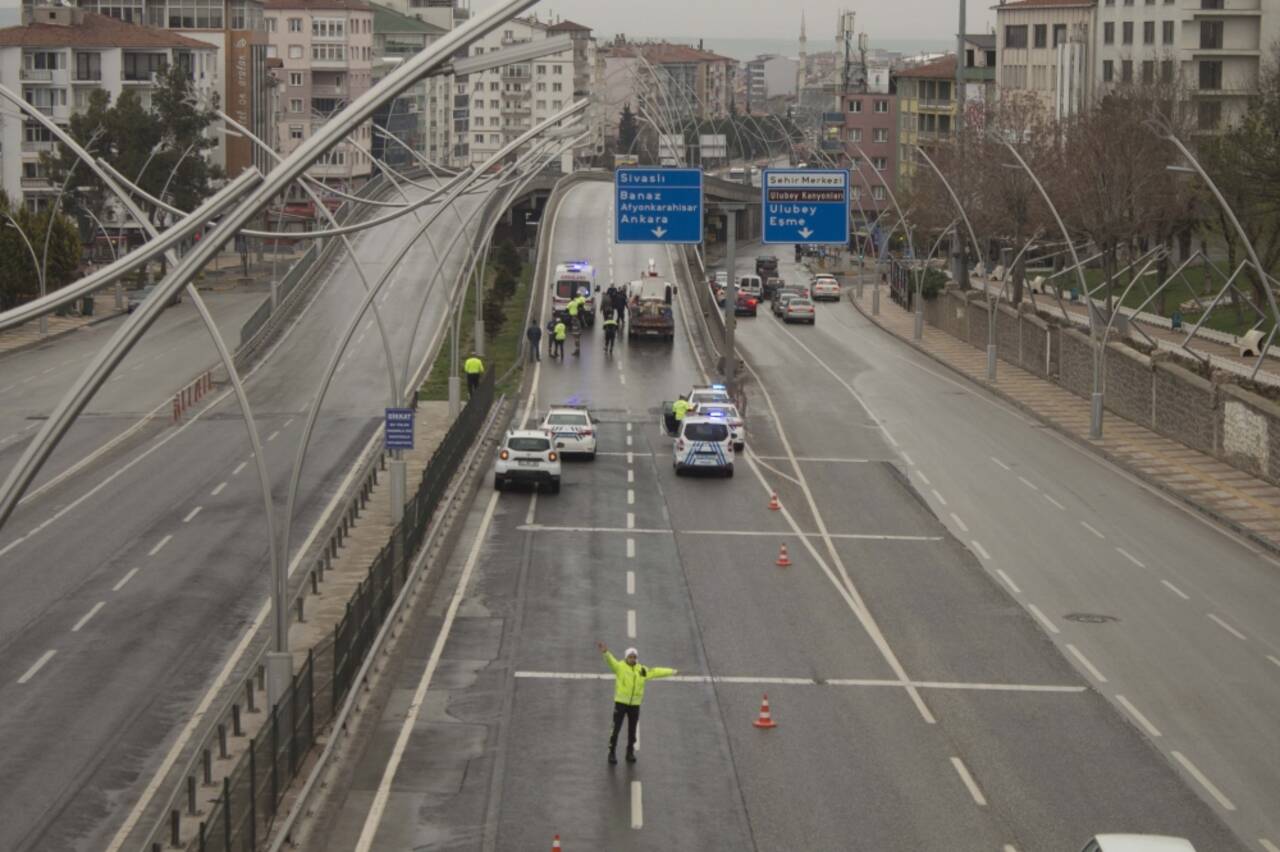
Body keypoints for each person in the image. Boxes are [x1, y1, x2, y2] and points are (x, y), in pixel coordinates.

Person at [596, 641, 676, 765]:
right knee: (615, 729)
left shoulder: (641, 670)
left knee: (632, 731)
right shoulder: (620, 667)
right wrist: (606, 652)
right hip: (621, 703)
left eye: (634, 657)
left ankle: (630, 752)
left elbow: (655, 672)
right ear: (626, 657)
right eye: (630, 657)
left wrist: (672, 671)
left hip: (635, 705)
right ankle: (612, 752)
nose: (632, 659)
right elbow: (610, 661)